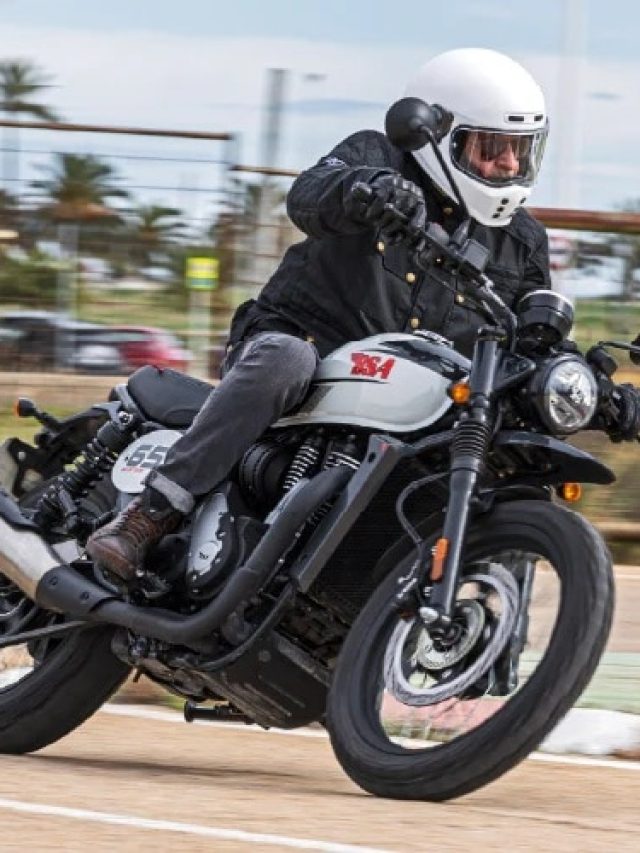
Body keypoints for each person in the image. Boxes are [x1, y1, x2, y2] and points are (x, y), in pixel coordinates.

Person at [82, 47, 623, 583]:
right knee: (285, 359)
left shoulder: (523, 241)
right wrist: (364, 191)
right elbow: (308, 196)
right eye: (492, 146)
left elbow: (534, 340)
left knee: (508, 455)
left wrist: (596, 392)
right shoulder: (378, 155)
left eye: (521, 149)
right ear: (439, 137)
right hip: (309, 350)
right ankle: (150, 514)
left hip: (412, 399)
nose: (509, 164)